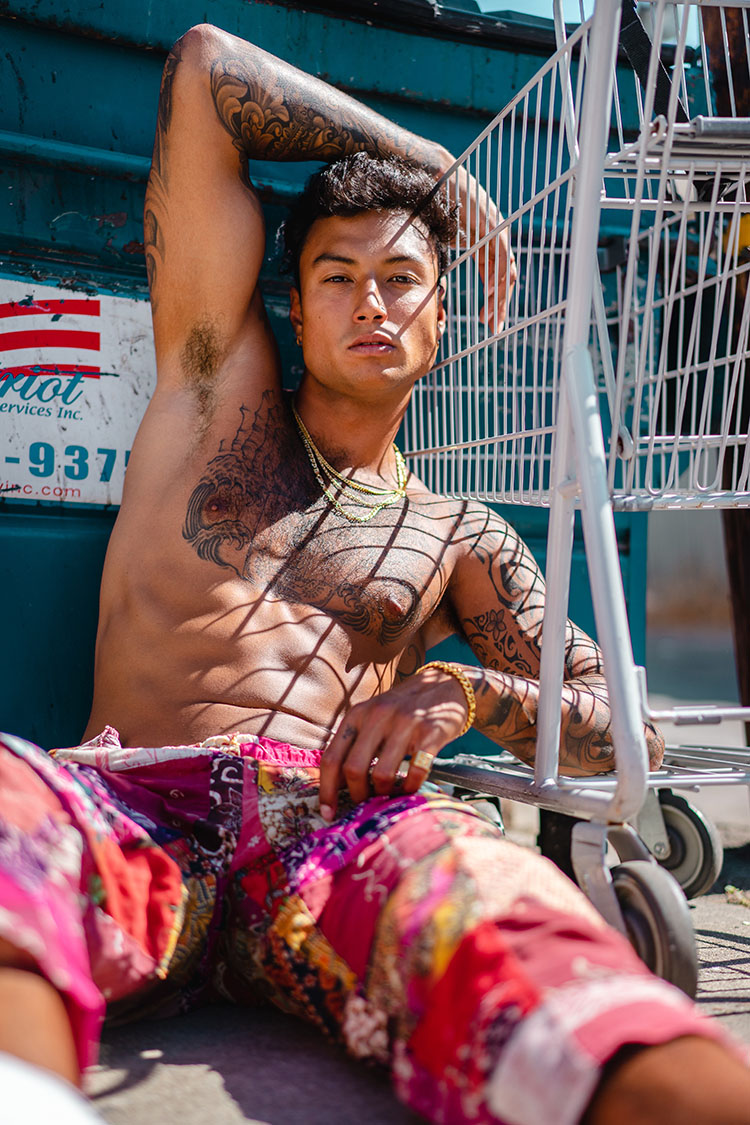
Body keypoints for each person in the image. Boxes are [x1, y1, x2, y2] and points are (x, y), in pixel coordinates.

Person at [1, 22, 750, 1125]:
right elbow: (207, 71)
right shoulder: (218, 393)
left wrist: (468, 691)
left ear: (441, 316)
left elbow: (611, 726)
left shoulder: (461, 535)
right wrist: (440, 171)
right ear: (295, 309)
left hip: (329, 831)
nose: (374, 302)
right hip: (129, 798)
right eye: (338, 277)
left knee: (500, 906)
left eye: (404, 278)